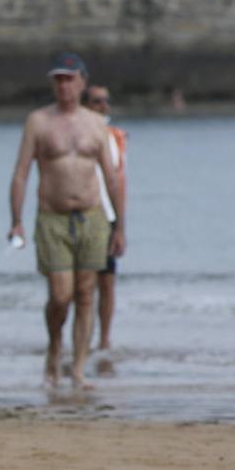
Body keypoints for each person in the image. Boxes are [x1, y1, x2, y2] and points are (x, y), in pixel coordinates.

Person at [6, 54, 126, 389]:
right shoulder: (38, 122)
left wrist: (119, 227)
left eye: (70, 79)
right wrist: (16, 220)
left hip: (91, 215)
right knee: (61, 295)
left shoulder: (96, 125)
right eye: (58, 79)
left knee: (87, 293)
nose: (64, 86)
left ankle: (78, 369)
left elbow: (111, 178)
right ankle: (54, 347)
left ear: (82, 82)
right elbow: (20, 174)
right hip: (53, 218)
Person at [85, 84, 128, 361]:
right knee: (83, 285)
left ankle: (104, 340)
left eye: (106, 101)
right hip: (84, 213)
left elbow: (120, 180)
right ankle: (83, 340)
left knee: (107, 281)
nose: (104, 106)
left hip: (108, 216)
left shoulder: (115, 137)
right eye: (97, 101)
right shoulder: (77, 134)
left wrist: (122, 226)